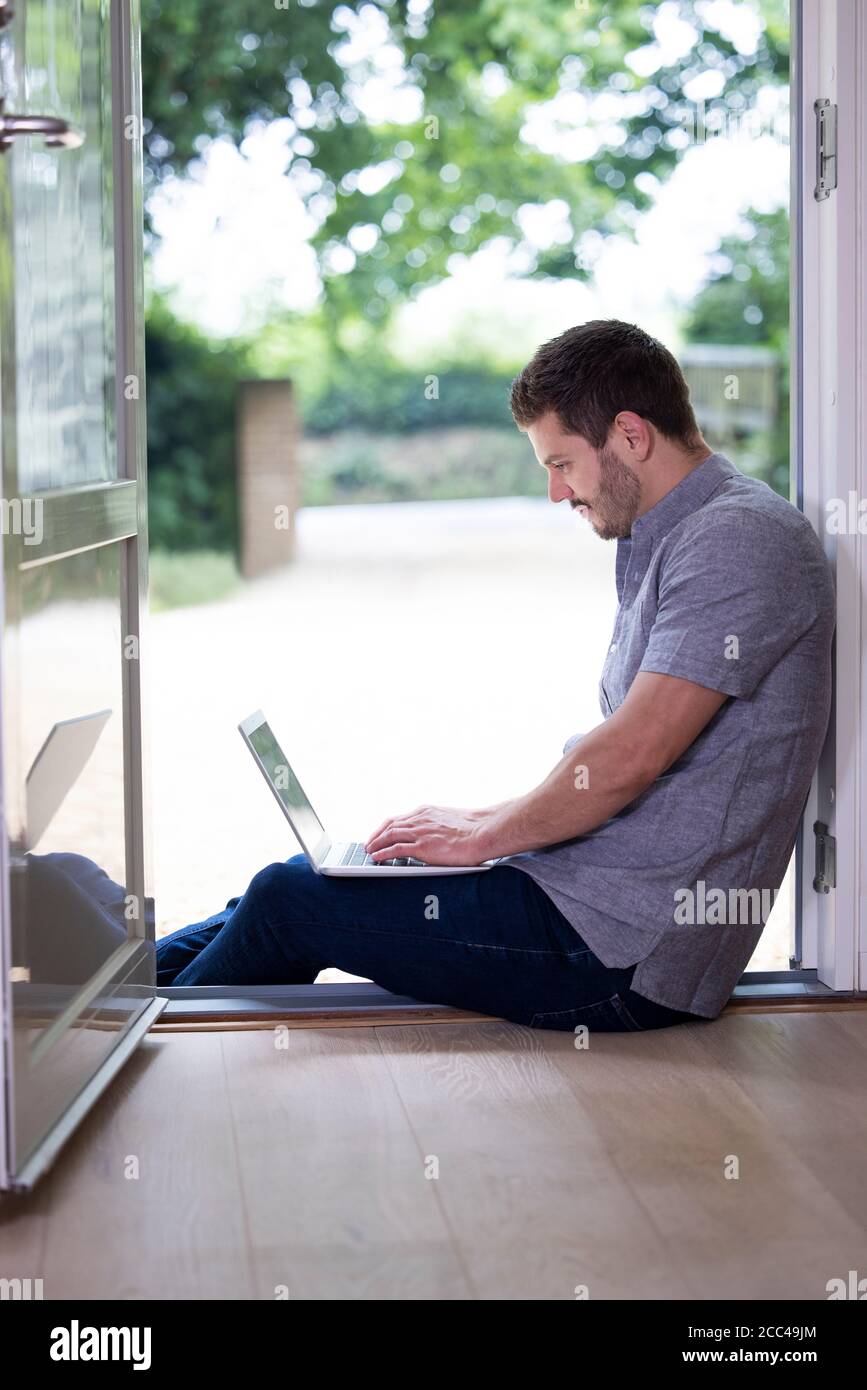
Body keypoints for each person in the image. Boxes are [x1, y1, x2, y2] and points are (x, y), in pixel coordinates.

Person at [156, 319, 835, 1033]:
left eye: (562, 463)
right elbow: (620, 762)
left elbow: (631, 756)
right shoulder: (676, 532)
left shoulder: (738, 539)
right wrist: (483, 820)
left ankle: (144, 1057)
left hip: (626, 952)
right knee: (283, 895)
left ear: (631, 435)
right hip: (587, 897)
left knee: (288, 902)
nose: (553, 491)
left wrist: (483, 842)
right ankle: (90, 1000)